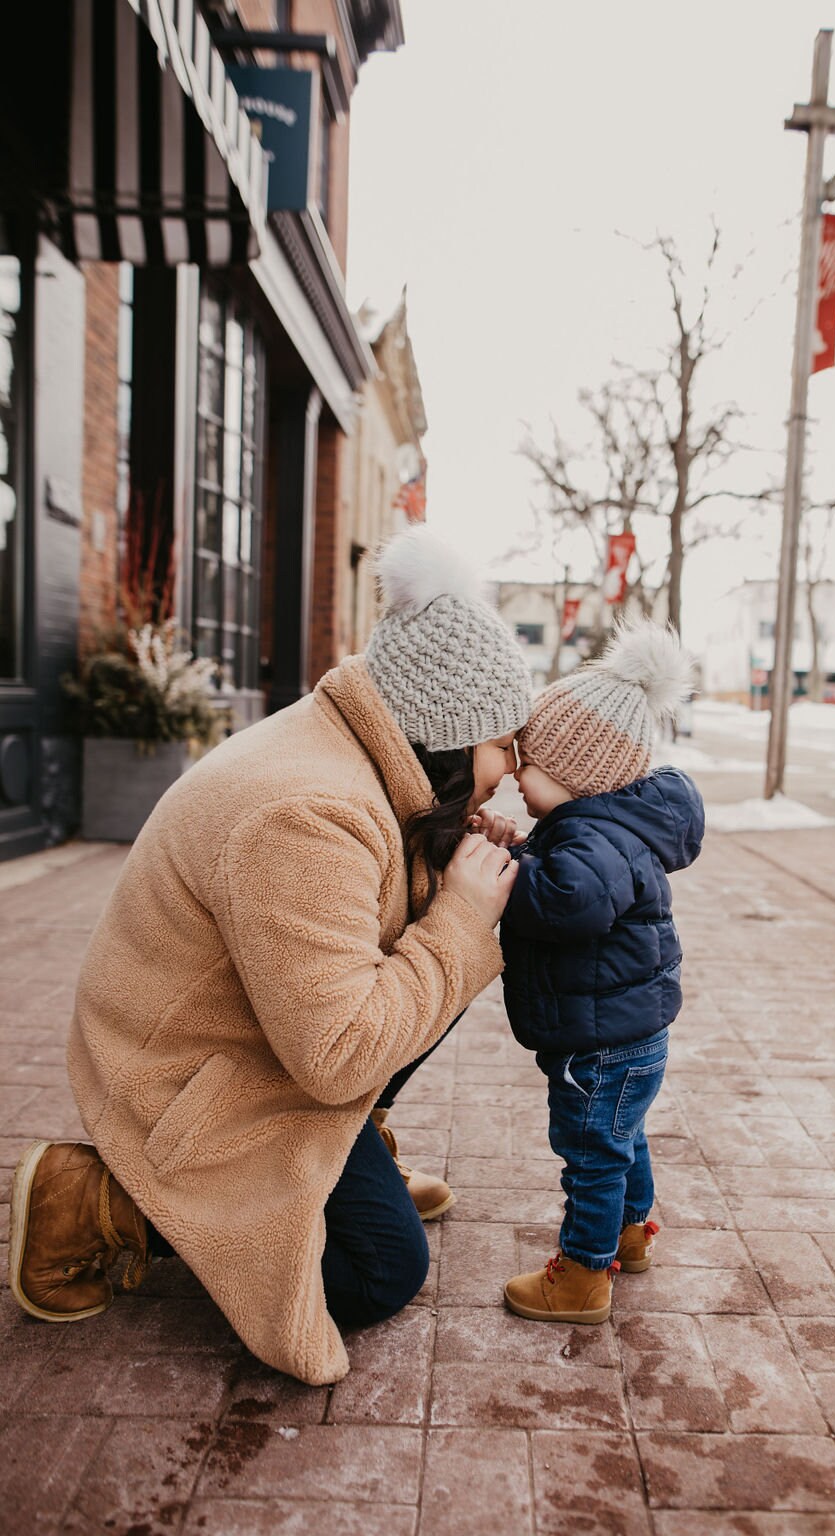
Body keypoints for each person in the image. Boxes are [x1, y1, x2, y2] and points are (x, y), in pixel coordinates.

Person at [7, 527, 532, 1385]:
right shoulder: (305, 813)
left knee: (456, 943)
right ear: (444, 731)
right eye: (502, 744)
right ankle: (97, 1203)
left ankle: (344, 1153)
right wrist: (458, 919)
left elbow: (361, 929)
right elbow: (334, 1056)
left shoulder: (353, 751)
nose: (509, 772)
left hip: (246, 1034)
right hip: (180, 1081)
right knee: (379, 1272)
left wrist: (445, 862)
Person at [495, 621, 705, 1324]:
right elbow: (576, 873)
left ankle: (583, 1275)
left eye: (527, 761)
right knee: (624, 1135)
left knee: (592, 1152)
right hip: (625, 1031)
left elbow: (566, 899)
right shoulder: (606, 827)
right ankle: (631, 1234)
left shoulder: (591, 835)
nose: (514, 775)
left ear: (575, 769)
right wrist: (524, 848)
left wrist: (502, 871)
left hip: (601, 1042)